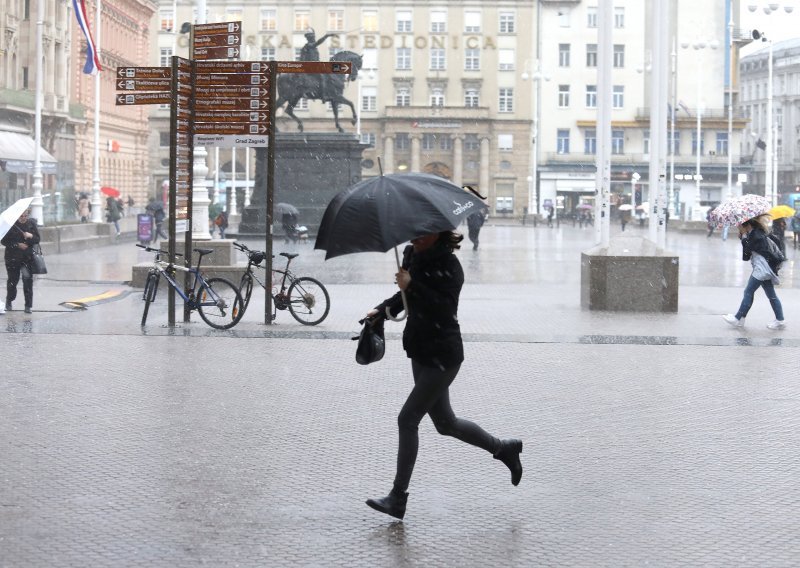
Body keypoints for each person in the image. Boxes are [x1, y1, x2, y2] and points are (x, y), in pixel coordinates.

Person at [364, 230, 523, 520]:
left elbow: (443, 307)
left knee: (407, 419)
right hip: (420, 349)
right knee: (445, 423)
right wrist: (381, 309)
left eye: (421, 235)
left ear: (437, 233)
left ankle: (397, 498)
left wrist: (413, 285)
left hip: (444, 354)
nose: (414, 240)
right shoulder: (412, 255)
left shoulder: (450, 266)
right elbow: (404, 298)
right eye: (412, 235)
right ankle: (504, 449)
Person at [723, 214, 786, 330]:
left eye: (740, 226)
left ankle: (737, 318)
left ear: (747, 225)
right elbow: (747, 256)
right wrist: (743, 237)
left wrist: (743, 237)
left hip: (762, 270)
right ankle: (779, 319)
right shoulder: (753, 234)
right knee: (771, 296)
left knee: (748, 291)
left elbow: (748, 250)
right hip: (763, 269)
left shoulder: (757, 235)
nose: (739, 228)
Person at [1, 209, 40, 314]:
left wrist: (30, 236)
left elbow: (37, 239)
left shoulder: (31, 224)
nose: (23, 218)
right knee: (13, 281)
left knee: (28, 281)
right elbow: (4, 241)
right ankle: (9, 301)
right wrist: (17, 244)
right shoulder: (11, 225)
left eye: (25, 216)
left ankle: (28, 305)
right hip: (12, 257)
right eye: (21, 216)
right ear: (17, 216)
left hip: (27, 258)